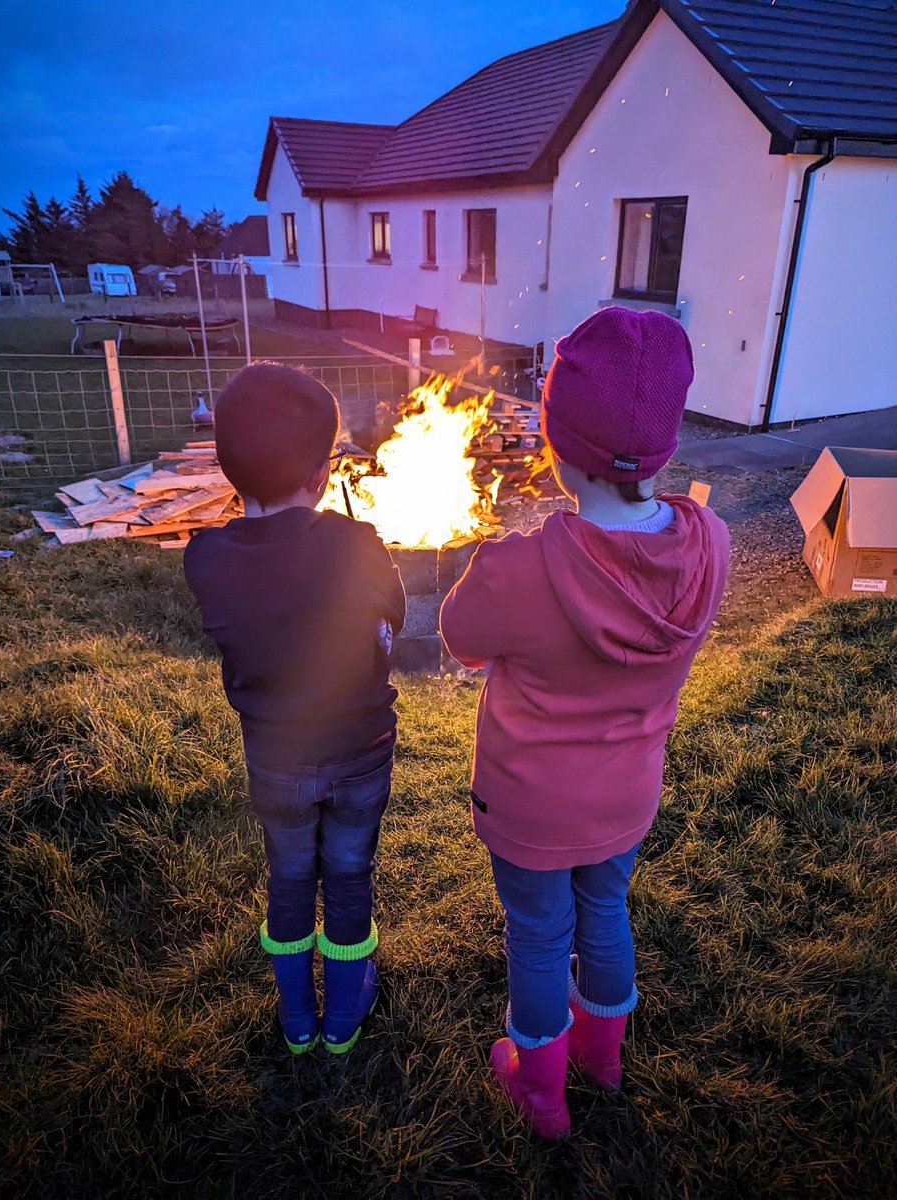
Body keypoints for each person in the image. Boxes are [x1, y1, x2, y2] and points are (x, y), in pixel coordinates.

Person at [440, 307, 729, 1138]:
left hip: (529, 809)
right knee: (605, 913)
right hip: (625, 798)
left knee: (537, 938)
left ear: (555, 445)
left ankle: (542, 1093)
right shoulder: (708, 542)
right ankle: (603, 1058)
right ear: (665, 443)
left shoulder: (516, 567)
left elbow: (460, 641)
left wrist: (491, 561)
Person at [184, 362, 405, 1056]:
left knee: (288, 877)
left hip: (274, 758)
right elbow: (391, 619)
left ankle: (297, 1020)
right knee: (347, 876)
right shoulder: (357, 542)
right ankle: (344, 1016)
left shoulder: (205, 557)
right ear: (322, 474)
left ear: (226, 471)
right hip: (361, 752)